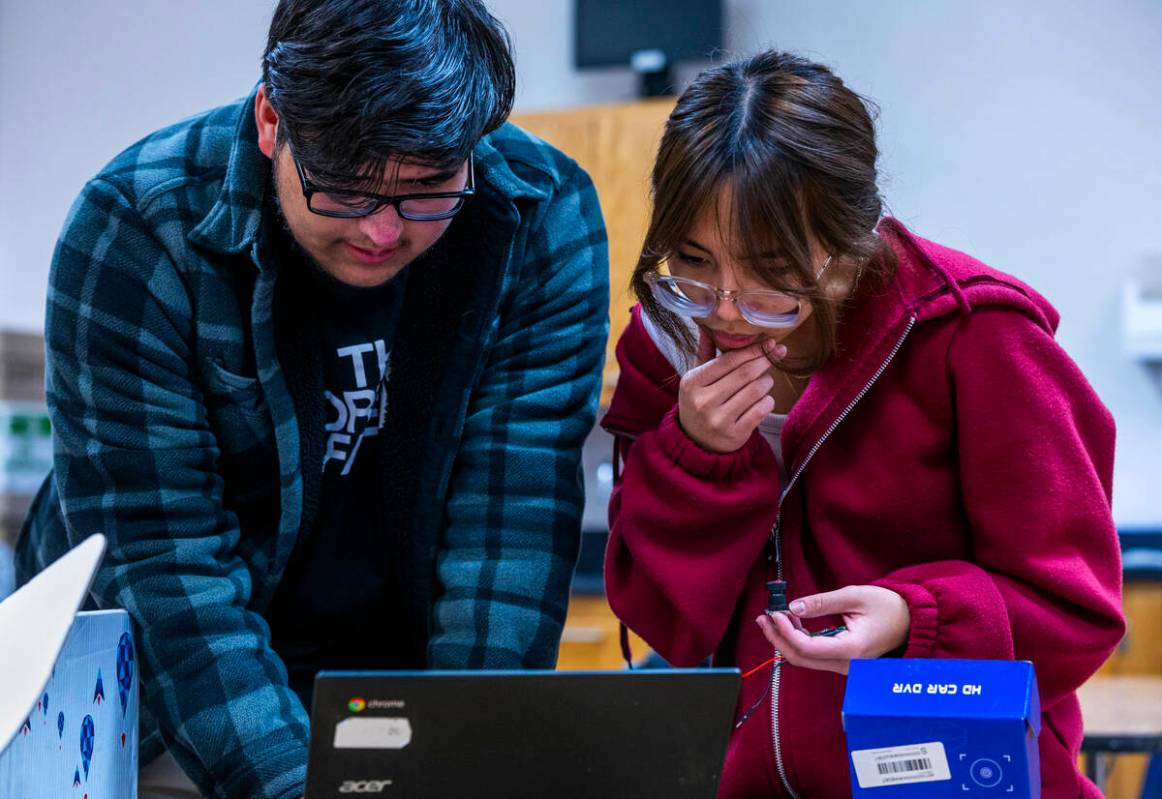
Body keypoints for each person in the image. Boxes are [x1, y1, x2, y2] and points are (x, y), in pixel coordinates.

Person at [15, 1, 608, 796]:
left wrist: (470, 761)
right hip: (160, 709)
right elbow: (166, 566)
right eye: (346, 192)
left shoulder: (540, 214)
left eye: (426, 191)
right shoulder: (138, 229)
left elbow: (511, 532)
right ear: (271, 121)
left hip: (394, 687)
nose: (381, 233)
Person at [603, 50, 1123, 798]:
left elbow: (1075, 610)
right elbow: (665, 622)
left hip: (960, 778)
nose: (722, 305)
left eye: (769, 270)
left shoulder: (978, 335)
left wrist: (917, 620)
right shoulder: (667, 343)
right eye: (692, 260)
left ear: (847, 251)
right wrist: (697, 457)